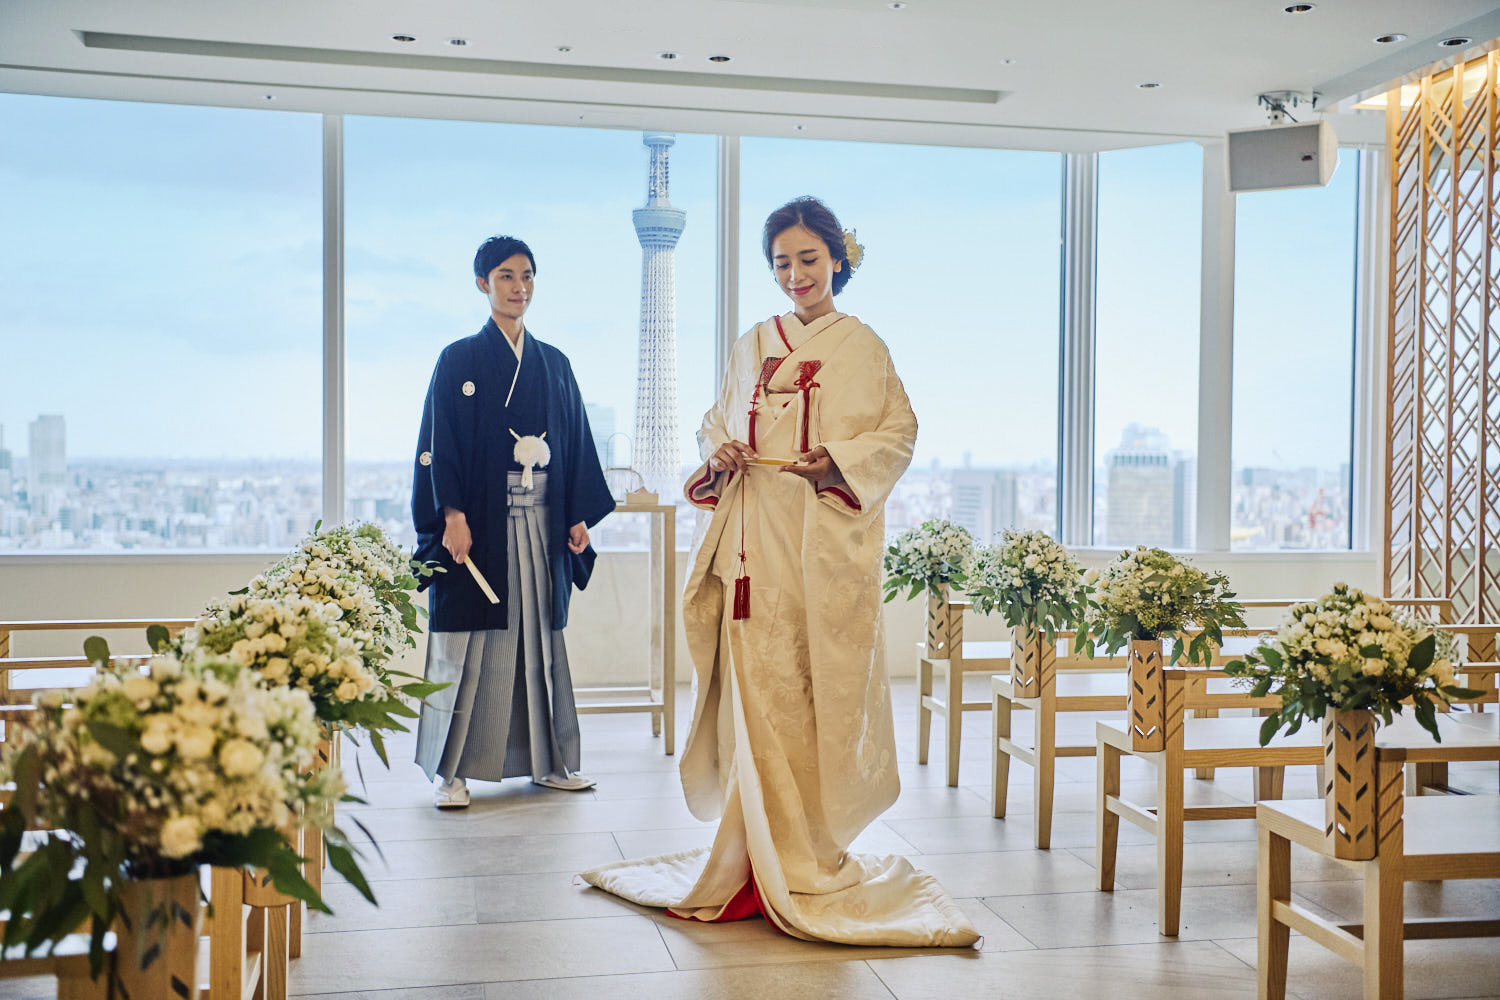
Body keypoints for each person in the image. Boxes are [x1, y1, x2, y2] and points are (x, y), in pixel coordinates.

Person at [583, 198, 979, 947]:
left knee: (808, 684)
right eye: (781, 263)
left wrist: (838, 461)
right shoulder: (751, 343)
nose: (795, 275)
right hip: (752, 538)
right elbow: (716, 421)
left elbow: (899, 432)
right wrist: (724, 452)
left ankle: (809, 852)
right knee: (757, 687)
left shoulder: (864, 346)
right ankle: (750, 851)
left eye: (808, 259)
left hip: (821, 539)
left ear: (837, 257)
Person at [411, 235, 615, 809]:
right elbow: (438, 442)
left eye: (527, 276)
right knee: (469, 640)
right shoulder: (459, 359)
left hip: (542, 521)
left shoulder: (554, 363)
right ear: (483, 283)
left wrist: (577, 516)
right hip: (480, 523)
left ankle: (548, 762)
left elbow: (574, 441)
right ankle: (450, 771)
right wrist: (450, 514)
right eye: (505, 276)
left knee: (537, 641)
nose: (518, 287)